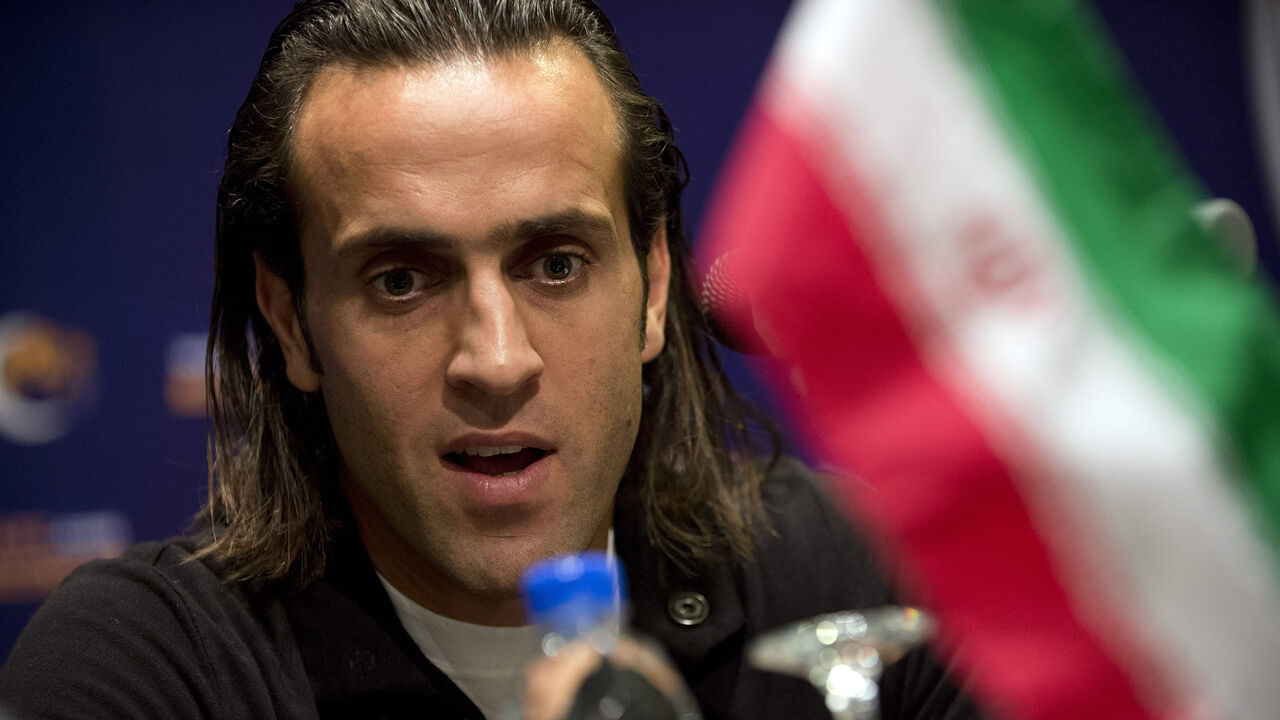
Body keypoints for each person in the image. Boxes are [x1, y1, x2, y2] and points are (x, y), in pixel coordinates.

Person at [0, 2, 982, 718]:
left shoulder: (849, 586)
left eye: (555, 264)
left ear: (650, 291)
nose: (497, 360)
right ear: (291, 323)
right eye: (400, 282)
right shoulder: (143, 675)